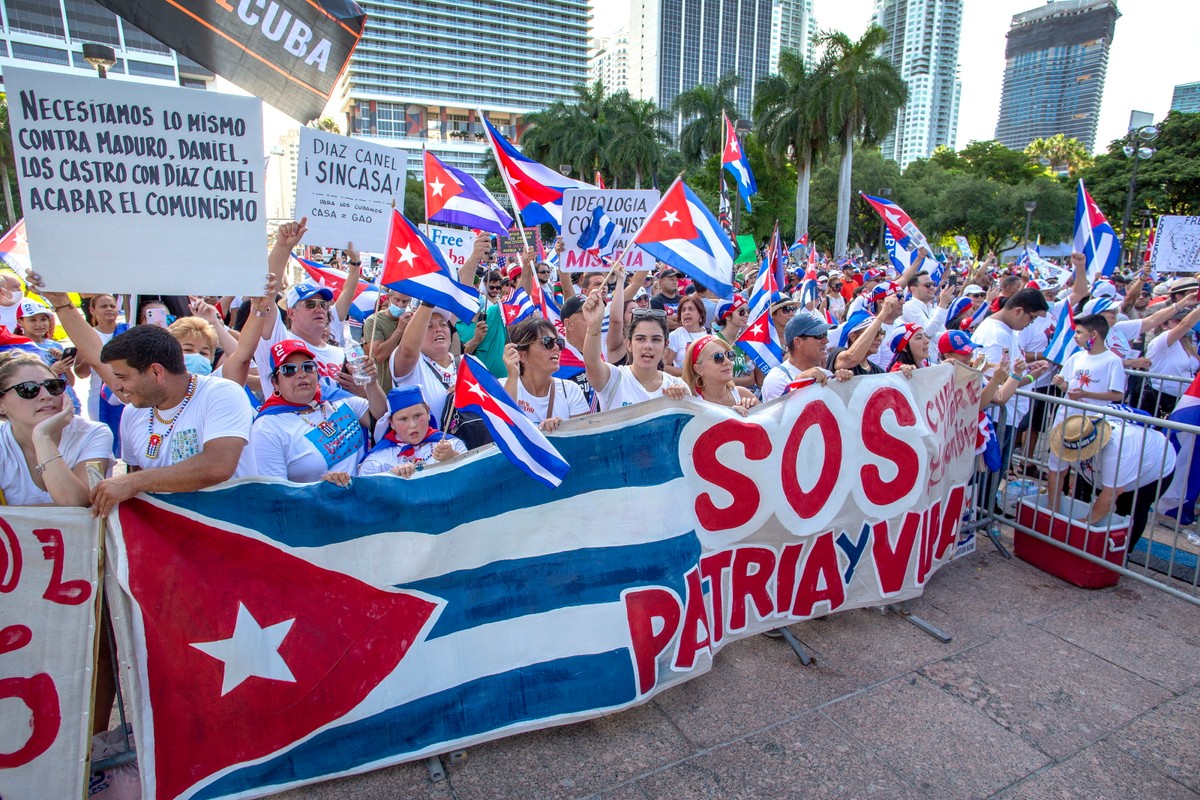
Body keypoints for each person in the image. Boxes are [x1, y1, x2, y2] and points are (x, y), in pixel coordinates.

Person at [245, 339, 387, 484]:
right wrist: (318, 487)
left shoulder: (336, 398)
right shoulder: (267, 429)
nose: (301, 374)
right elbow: (277, 492)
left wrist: (372, 384)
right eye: (289, 370)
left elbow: (382, 419)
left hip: (366, 493)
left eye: (308, 367)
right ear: (275, 383)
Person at [1046, 414, 1176, 549]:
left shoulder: (1117, 447)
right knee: (1082, 498)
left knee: (1130, 510)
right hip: (1106, 464)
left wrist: (1083, 524)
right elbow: (1056, 474)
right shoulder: (1065, 435)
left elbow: (1112, 492)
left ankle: (1123, 552)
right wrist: (1052, 509)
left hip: (1153, 467)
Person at [0, 353, 112, 506]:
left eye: (53, 386)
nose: (46, 395)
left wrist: (42, 437)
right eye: (28, 389)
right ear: (1, 405)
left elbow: (75, 504)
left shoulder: (93, 433)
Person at [581, 296, 688, 411]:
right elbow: (592, 363)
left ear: (665, 345)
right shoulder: (613, 379)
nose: (648, 346)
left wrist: (685, 398)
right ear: (629, 344)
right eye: (640, 339)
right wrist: (594, 325)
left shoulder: (677, 386)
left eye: (656, 339)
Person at [503, 317, 589, 431]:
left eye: (559, 342)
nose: (556, 347)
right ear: (522, 356)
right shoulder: (502, 387)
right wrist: (512, 376)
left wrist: (563, 428)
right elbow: (504, 430)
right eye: (547, 342)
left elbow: (584, 436)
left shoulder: (570, 390)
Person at [360, 386, 466, 478]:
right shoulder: (376, 461)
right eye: (403, 419)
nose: (413, 425)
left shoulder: (451, 444)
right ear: (391, 422)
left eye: (417, 416)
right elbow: (365, 492)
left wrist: (453, 457)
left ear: (428, 412)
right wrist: (390, 478)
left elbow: (470, 479)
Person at [390, 302, 459, 425]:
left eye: (443, 324)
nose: (438, 329)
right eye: (429, 326)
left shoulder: (470, 363)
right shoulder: (414, 365)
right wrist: (428, 300)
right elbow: (408, 351)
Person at [762, 312, 853, 401]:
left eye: (825, 334)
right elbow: (781, 410)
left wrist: (843, 383)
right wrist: (799, 382)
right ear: (798, 342)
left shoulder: (826, 374)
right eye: (819, 335)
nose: (826, 340)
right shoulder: (777, 378)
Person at [1051, 314, 1126, 419]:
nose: (1075, 336)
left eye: (1079, 332)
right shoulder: (1076, 357)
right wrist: (1060, 383)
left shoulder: (1113, 360)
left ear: (1093, 334)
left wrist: (1086, 394)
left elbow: (1118, 395)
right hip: (1066, 416)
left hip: (1092, 420)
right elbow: (1067, 388)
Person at [16, 298, 80, 413]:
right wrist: (52, 371)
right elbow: (24, 385)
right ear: (20, 322)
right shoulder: (19, 348)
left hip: (70, 403)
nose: (39, 324)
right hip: (46, 407)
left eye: (43, 319)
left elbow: (71, 381)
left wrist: (64, 363)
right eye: (32, 320)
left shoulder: (55, 345)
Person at [1142, 304, 1200, 416]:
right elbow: (1186, 324)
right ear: (1164, 325)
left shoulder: (1186, 343)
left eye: (1183, 319)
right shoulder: (1162, 339)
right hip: (1161, 398)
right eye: (1177, 321)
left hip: (1181, 399)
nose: (1181, 323)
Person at [682, 335, 759, 416]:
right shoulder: (690, 403)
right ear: (699, 369)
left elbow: (765, 422)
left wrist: (755, 411)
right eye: (718, 357)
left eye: (729, 355)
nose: (727, 362)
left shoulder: (743, 394)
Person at [362, 288, 414, 393]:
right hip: (385, 386)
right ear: (389, 298)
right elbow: (380, 356)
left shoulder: (411, 320)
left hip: (408, 385)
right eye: (397, 300)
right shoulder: (373, 321)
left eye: (405, 302)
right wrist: (400, 329)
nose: (400, 305)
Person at [712, 296, 755, 389]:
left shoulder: (743, 342)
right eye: (741, 311)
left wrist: (729, 380)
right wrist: (740, 380)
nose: (746, 314)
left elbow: (751, 379)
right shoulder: (716, 342)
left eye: (748, 310)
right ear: (727, 316)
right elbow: (715, 377)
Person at [665, 295, 707, 376]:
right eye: (683, 310)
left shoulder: (710, 335)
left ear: (700, 314)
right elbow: (665, 367)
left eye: (691, 309)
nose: (686, 313)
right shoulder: (676, 335)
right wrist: (690, 374)